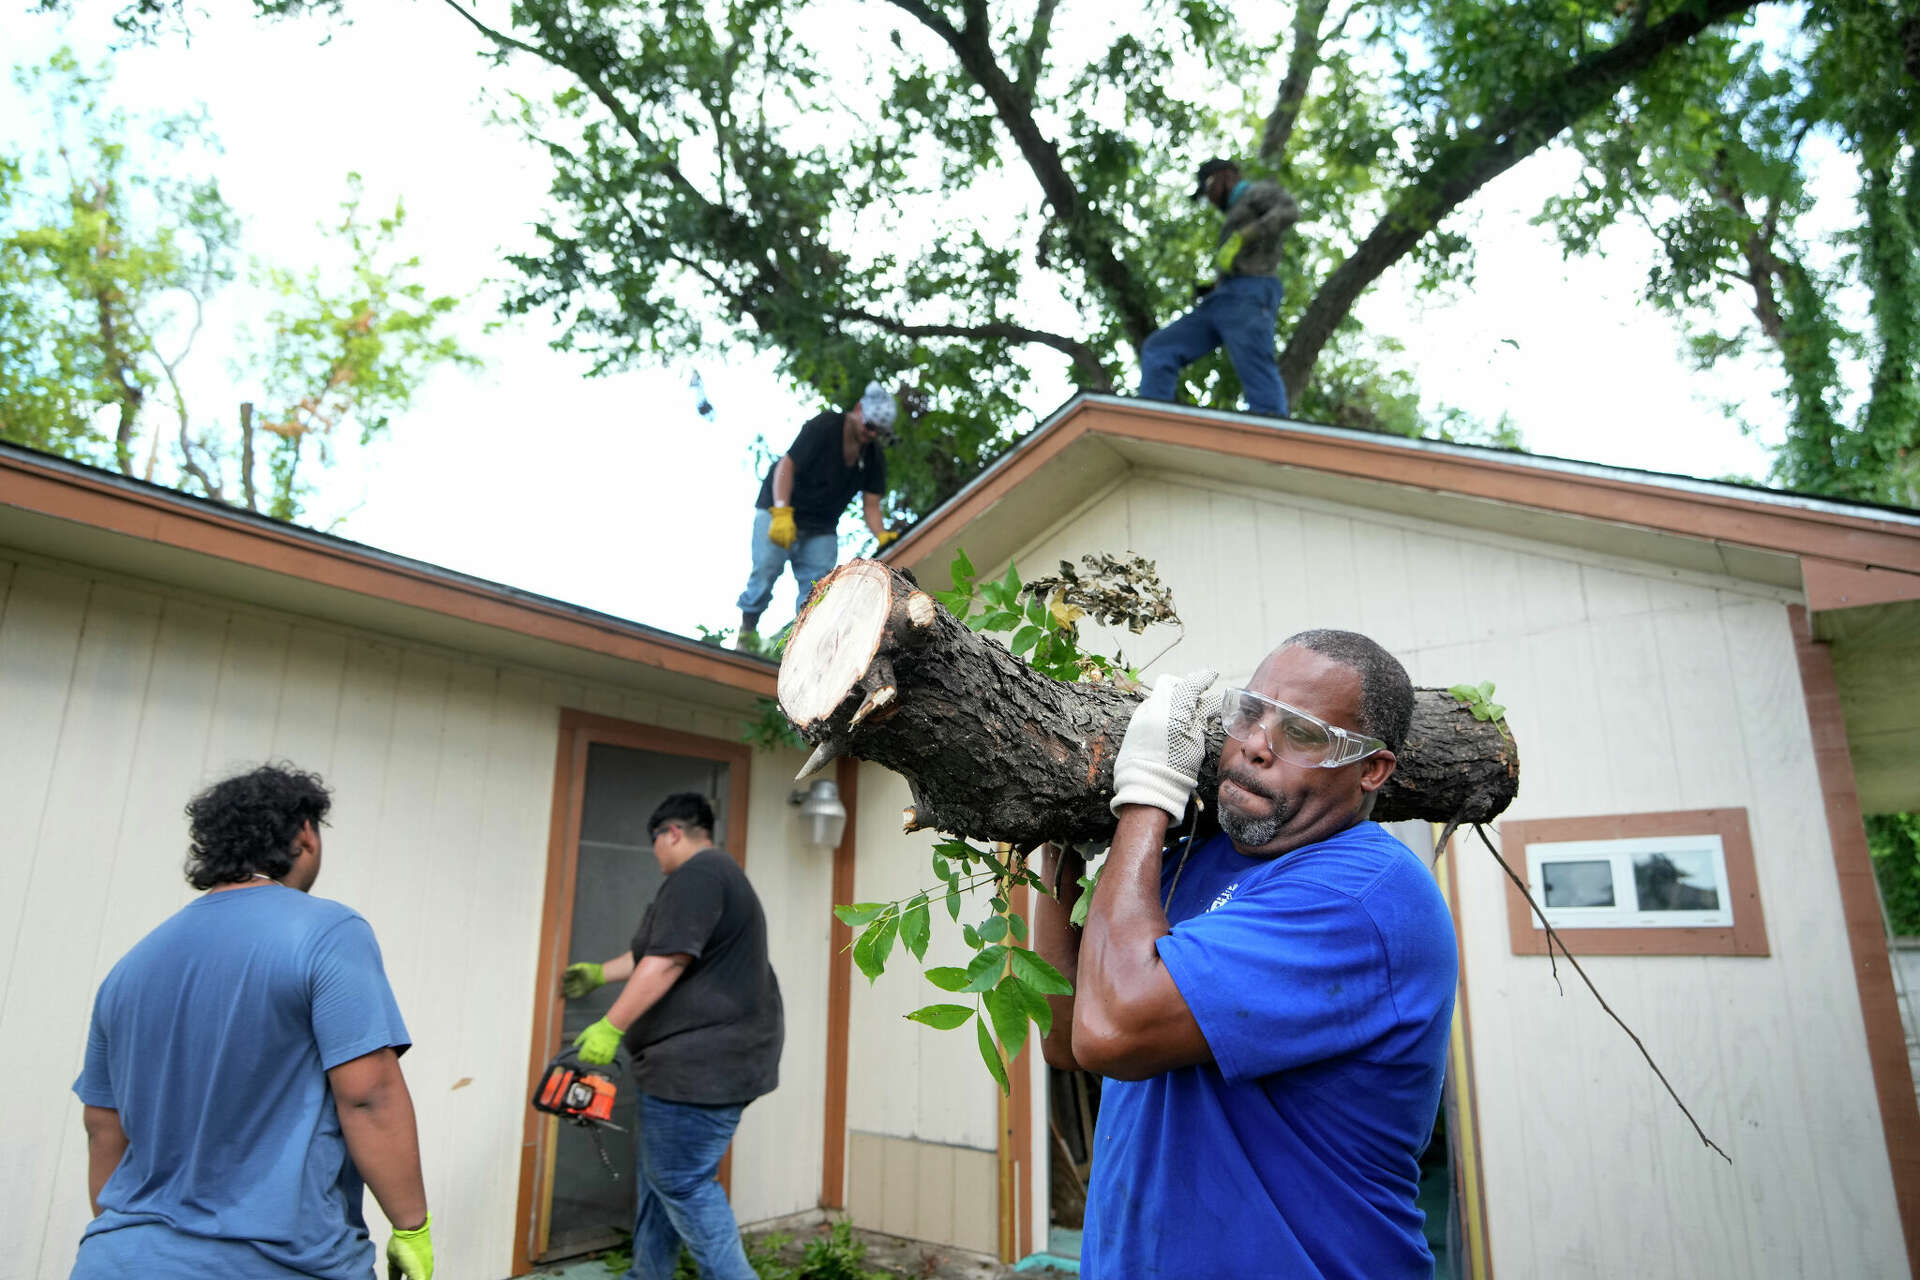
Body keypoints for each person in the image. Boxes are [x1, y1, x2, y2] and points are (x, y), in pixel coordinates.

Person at [1034, 630, 1458, 1280]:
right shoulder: (1190, 861)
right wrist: (1055, 836)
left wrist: (1145, 793)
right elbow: (1067, 1039)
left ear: (1372, 769)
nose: (1256, 745)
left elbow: (1111, 1030)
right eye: (1251, 712)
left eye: (1302, 733)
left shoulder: (1364, 895)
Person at [70, 765, 433, 1280]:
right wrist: (411, 1227)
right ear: (305, 835)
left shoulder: (129, 969)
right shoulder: (328, 932)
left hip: (118, 1259)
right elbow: (369, 1095)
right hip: (275, 1262)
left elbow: (102, 1127)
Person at [561, 792, 784, 1280]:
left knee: (682, 1182)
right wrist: (599, 974)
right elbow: (655, 952)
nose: (655, 854)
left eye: (655, 842)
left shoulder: (698, 876)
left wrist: (611, 1025)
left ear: (673, 833)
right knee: (659, 1181)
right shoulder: (717, 877)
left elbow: (668, 960)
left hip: (699, 1070)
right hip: (708, 1066)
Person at [736, 380, 898, 642]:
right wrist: (781, 511)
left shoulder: (873, 457)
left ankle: (805, 643)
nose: (872, 434)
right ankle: (746, 633)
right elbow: (786, 466)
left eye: (879, 431)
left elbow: (871, 504)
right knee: (765, 571)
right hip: (781, 509)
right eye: (870, 426)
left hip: (821, 527)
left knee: (818, 589)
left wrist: (881, 534)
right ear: (858, 409)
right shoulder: (826, 425)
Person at [1137, 156, 1299, 416]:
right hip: (1222, 298)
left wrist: (1251, 232)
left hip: (1250, 293)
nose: (1209, 199)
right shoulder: (1234, 213)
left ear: (1226, 176)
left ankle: (1271, 426)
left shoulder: (1255, 193)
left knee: (1256, 368)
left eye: (1208, 188)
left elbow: (1289, 211)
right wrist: (1212, 286)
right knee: (1159, 349)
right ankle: (1150, 419)